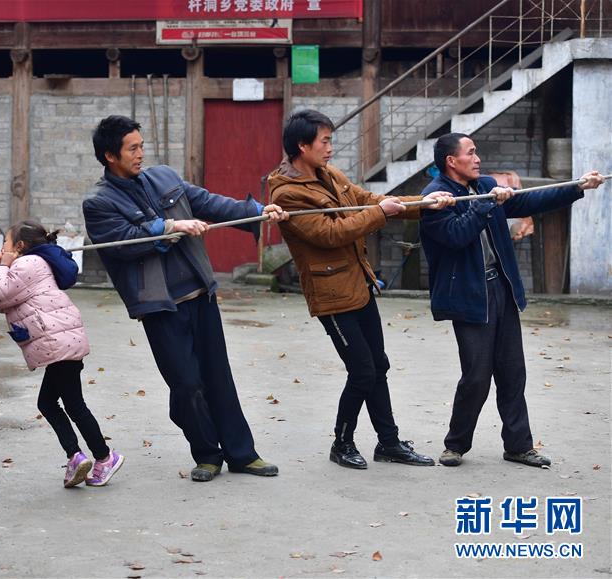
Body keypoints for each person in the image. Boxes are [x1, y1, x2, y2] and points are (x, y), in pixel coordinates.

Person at [82, 115, 288, 482]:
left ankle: (242, 454)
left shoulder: (164, 177)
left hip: (199, 293)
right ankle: (207, 454)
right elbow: (125, 243)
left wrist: (257, 212)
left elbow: (208, 202)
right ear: (110, 156)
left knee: (218, 377)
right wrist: (170, 226)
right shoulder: (99, 203)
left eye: (142, 146)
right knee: (186, 383)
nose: (141, 154)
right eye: (132, 149)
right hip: (159, 306)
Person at [268, 109, 455, 470]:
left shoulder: (328, 174)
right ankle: (342, 442)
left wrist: (424, 204)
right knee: (363, 371)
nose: (330, 148)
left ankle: (389, 443)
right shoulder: (288, 194)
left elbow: (366, 199)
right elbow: (331, 234)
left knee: (377, 365)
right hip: (331, 295)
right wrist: (381, 213)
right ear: (302, 146)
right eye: (325, 141)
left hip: (358, 283)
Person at [419, 133, 605, 468]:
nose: (478, 158)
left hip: (501, 289)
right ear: (451, 161)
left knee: (512, 372)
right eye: (471, 153)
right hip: (470, 296)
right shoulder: (436, 199)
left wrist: (577, 187)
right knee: (477, 376)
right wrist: (487, 204)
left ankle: (519, 446)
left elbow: (530, 202)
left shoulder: (485, 186)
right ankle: (455, 445)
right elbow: (457, 236)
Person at [0, 220, 124, 488]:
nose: (2, 248)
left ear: (19, 246)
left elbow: (0, 296)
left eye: (5, 243)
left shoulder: (28, 264)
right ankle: (78, 457)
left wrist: (0, 268)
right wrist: (0, 268)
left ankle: (103, 457)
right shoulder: (29, 264)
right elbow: (3, 300)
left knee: (70, 405)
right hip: (60, 340)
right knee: (54, 403)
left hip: (57, 341)